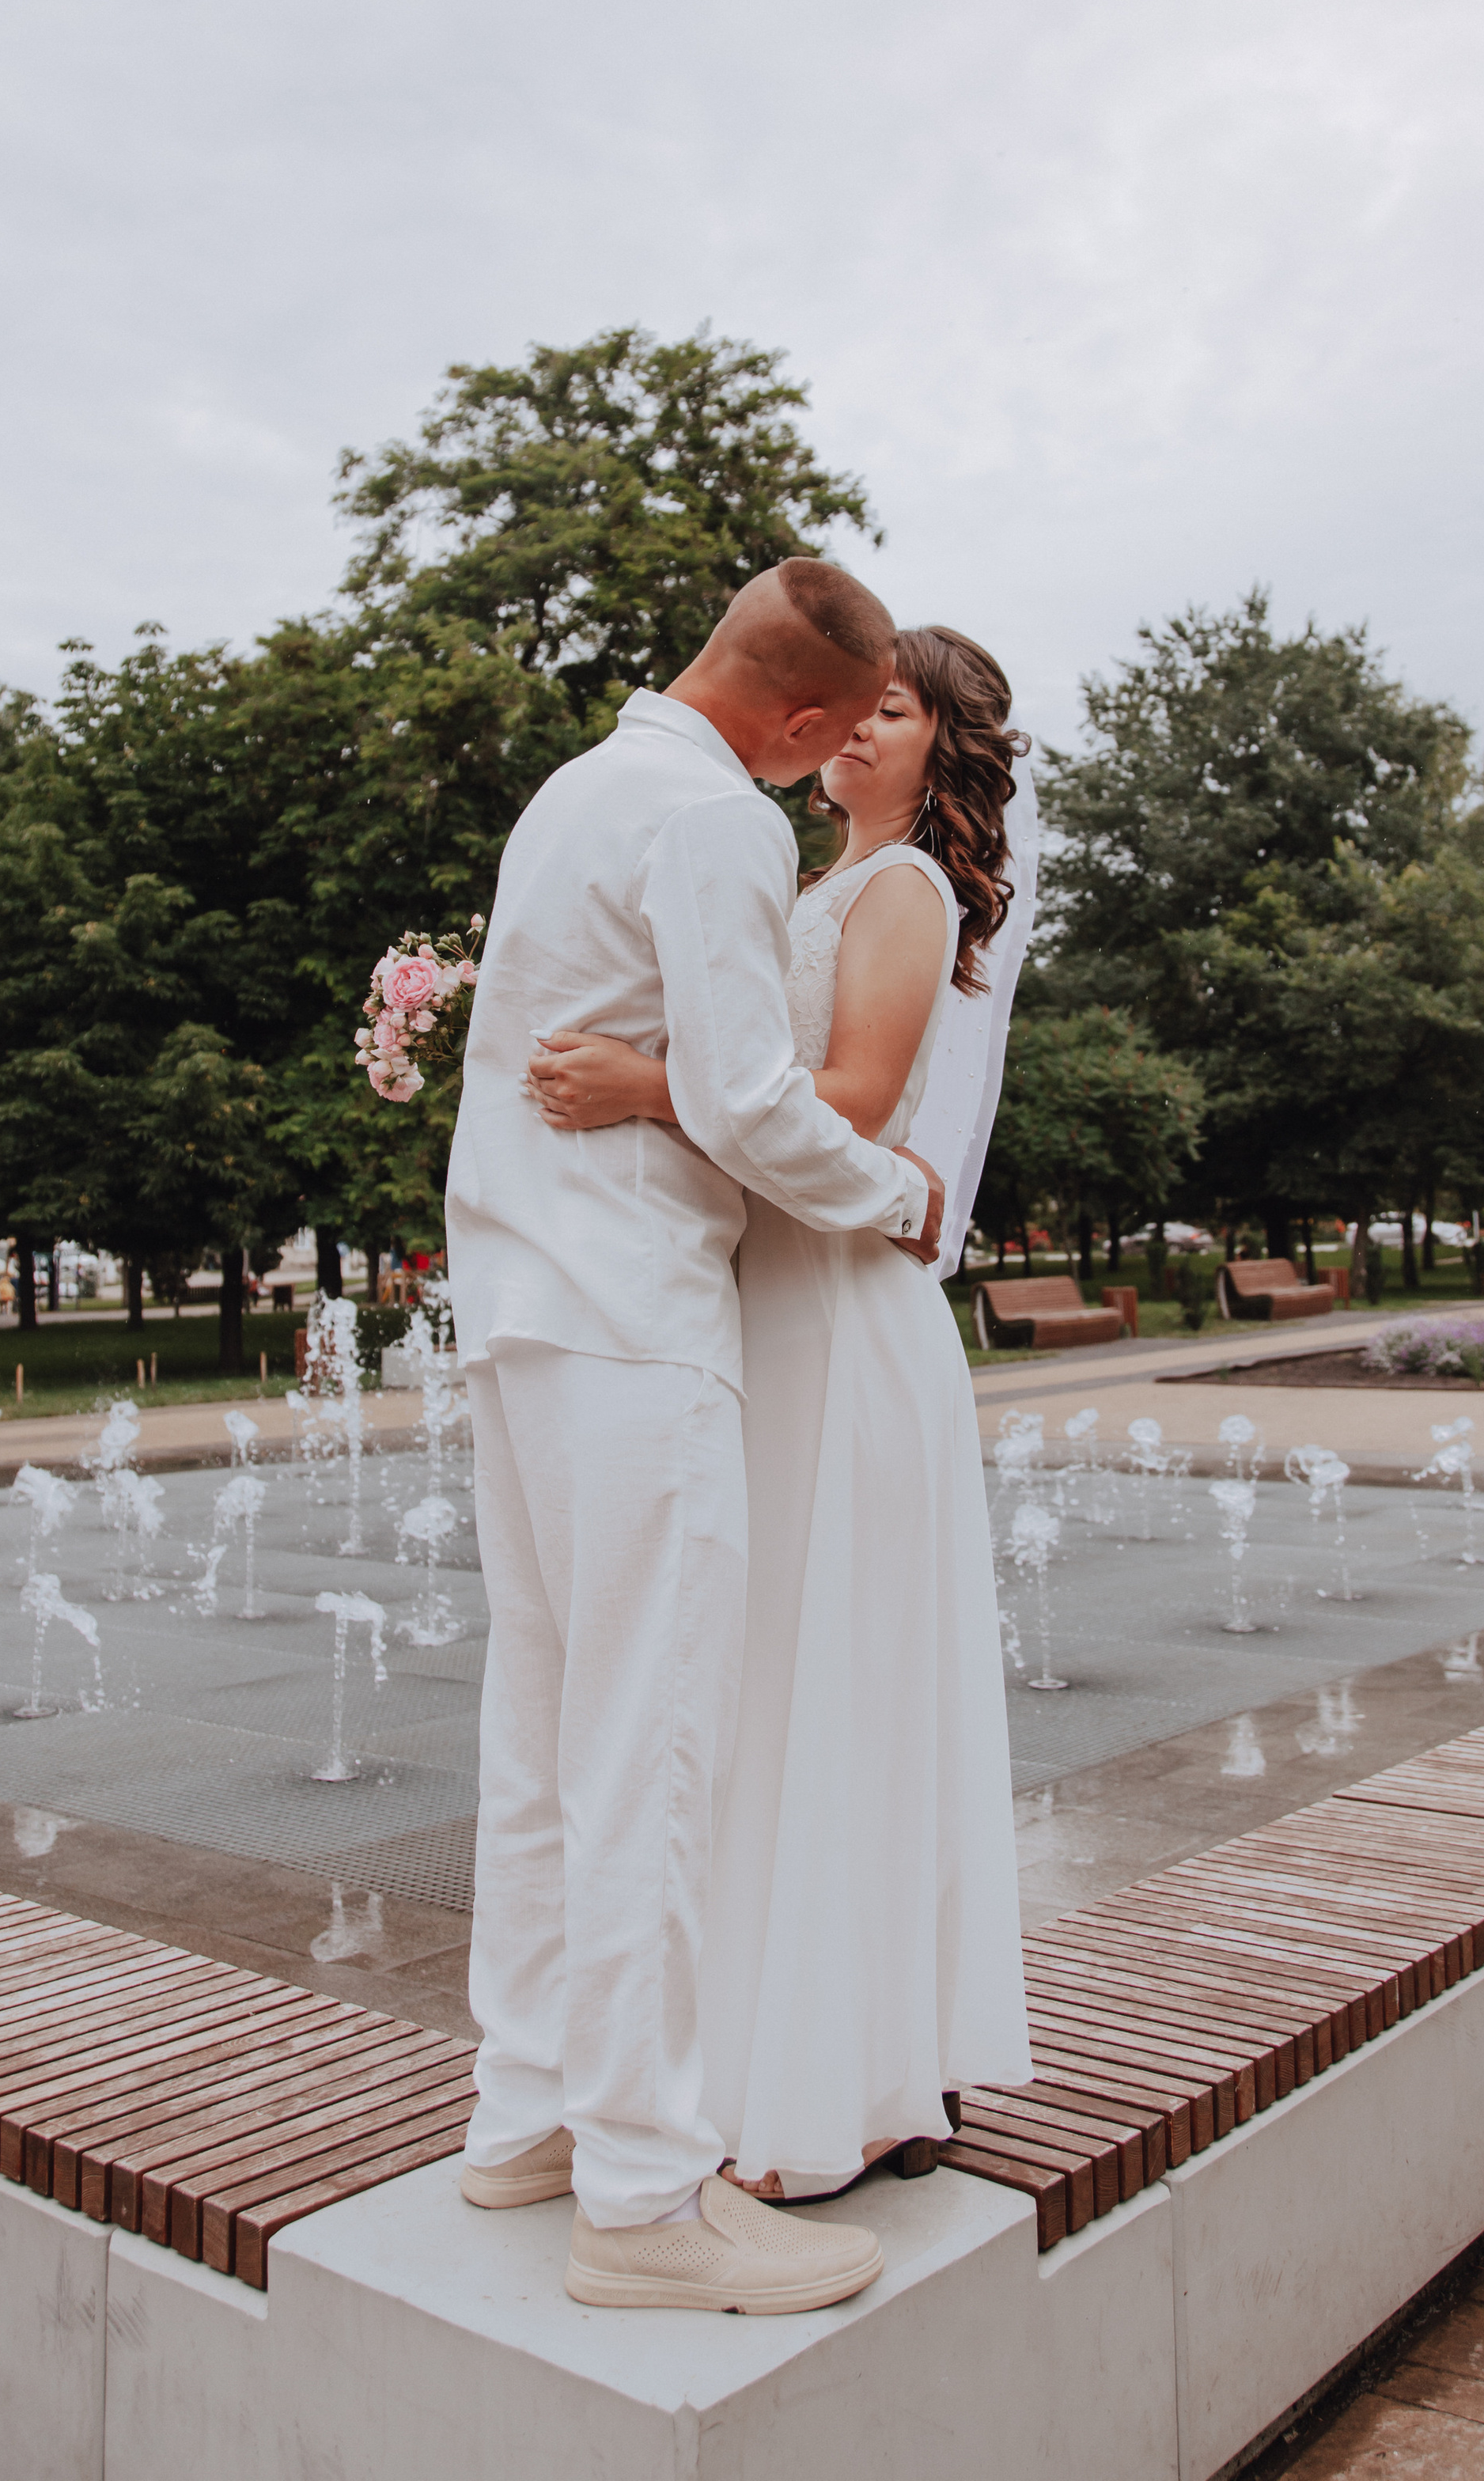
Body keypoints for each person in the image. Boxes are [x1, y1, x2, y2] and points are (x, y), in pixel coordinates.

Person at [445, 559, 947, 2316]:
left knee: (539, 1735)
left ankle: (522, 2120)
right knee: (651, 1750)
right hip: (638, 1325)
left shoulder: (573, 793)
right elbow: (742, 1097)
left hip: (510, 1317)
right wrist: (893, 1190)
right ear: (803, 719)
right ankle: (646, 2197)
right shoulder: (716, 819)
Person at [528, 626, 1034, 2199]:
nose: (851, 734)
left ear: (941, 743)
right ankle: (811, 2057)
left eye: (889, 712)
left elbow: (859, 1103)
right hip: (765, 1317)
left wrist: (644, 1087)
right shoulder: (809, 887)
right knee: (771, 1700)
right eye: (849, 708)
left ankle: (861, 2095)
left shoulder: (901, 893)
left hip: (838, 1326)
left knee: (839, 1695)